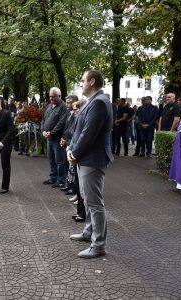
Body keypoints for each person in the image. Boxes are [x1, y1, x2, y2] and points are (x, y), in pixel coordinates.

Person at [68, 70, 113, 259]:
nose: (81, 83)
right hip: (86, 158)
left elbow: (88, 134)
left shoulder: (99, 103)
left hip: (91, 159)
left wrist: (74, 153)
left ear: (92, 82)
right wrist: (71, 148)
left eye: (82, 80)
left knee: (94, 203)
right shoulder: (95, 102)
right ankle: (89, 233)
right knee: (87, 199)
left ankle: (99, 245)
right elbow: (80, 130)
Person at [41, 87, 68, 187]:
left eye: (53, 97)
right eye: (50, 97)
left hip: (57, 138)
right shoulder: (49, 106)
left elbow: (61, 122)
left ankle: (61, 180)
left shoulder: (63, 107)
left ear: (59, 96)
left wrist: (51, 132)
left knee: (59, 160)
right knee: (51, 159)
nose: (51, 99)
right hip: (49, 137)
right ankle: (53, 177)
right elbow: (43, 119)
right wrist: (43, 130)